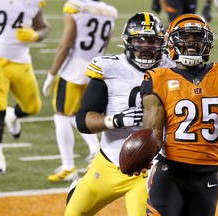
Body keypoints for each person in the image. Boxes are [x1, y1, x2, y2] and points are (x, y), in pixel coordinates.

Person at [139, 14, 218, 215]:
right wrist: (145, 155)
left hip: (207, 176)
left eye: (197, 37)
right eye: (186, 37)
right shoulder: (158, 78)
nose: (192, 42)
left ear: (207, 42)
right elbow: (152, 130)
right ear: (172, 42)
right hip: (171, 172)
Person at [65, 12, 175, 215]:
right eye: (140, 41)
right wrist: (114, 120)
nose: (146, 47)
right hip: (108, 162)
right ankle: (79, 187)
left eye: (153, 42)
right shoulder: (109, 67)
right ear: (128, 41)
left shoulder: (173, 69)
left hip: (148, 169)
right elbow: (83, 120)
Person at [42, 0, 118, 182]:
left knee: (61, 115)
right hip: (94, 68)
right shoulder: (109, 11)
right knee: (79, 114)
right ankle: (93, 149)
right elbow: (105, 43)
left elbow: (66, 44)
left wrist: (52, 74)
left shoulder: (74, 6)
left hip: (73, 70)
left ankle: (69, 166)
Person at [0, 0, 49, 174]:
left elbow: (44, 28)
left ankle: (12, 116)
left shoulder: (32, 3)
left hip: (21, 61)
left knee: (32, 107)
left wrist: (35, 35)